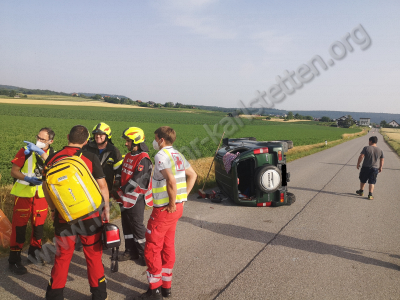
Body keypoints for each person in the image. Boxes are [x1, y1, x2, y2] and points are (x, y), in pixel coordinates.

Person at [42, 125, 110, 300]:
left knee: (62, 257)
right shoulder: (90, 157)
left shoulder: (52, 158)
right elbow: (102, 186)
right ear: (86, 141)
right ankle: (99, 296)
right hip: (91, 216)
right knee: (93, 256)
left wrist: (52, 209)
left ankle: (54, 296)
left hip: (64, 216)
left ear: (67, 137)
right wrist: (106, 210)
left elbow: (46, 187)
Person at [137, 126, 197, 300]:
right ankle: (166, 287)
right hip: (177, 209)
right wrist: (182, 198)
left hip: (164, 209)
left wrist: (172, 202)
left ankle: (154, 290)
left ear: (161, 140)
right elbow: (192, 175)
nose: (154, 142)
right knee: (168, 245)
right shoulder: (178, 154)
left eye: (155, 138)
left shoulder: (161, 155)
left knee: (152, 248)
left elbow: (171, 181)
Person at [8, 127, 55, 275]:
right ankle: (14, 260)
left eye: (43, 139)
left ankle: (34, 254)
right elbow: (14, 171)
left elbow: (54, 167)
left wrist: (42, 153)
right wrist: (27, 178)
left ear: (50, 141)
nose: (38, 141)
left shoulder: (52, 155)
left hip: (41, 196)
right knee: (19, 229)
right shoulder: (25, 150)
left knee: (38, 228)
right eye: (38, 137)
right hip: (23, 195)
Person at [111, 127, 153, 266]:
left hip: (136, 199)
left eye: (128, 141)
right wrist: (116, 185)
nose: (125, 144)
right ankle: (130, 251)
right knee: (127, 226)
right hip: (124, 199)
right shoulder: (129, 156)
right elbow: (123, 173)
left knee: (137, 227)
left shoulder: (144, 159)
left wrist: (121, 189)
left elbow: (137, 181)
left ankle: (144, 254)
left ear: (136, 141)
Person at [83, 122, 123, 194]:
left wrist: (116, 184)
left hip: (106, 188)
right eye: (96, 134)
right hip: (87, 187)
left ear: (107, 136)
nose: (98, 136)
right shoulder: (87, 148)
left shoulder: (114, 151)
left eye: (101, 134)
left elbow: (119, 171)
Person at [356, 136, 384, 200]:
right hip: (375, 168)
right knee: (372, 181)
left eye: (369, 141)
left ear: (371, 141)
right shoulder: (380, 150)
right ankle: (370, 195)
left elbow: (361, 156)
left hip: (365, 167)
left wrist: (358, 164)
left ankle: (361, 191)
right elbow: (382, 159)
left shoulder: (366, 148)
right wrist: (380, 167)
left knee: (363, 179)